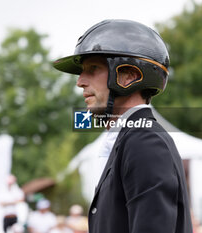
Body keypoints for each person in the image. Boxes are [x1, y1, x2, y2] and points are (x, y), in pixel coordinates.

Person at [53, 19, 192, 233]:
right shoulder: (130, 139)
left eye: (92, 68)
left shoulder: (145, 142)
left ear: (129, 75)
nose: (80, 81)